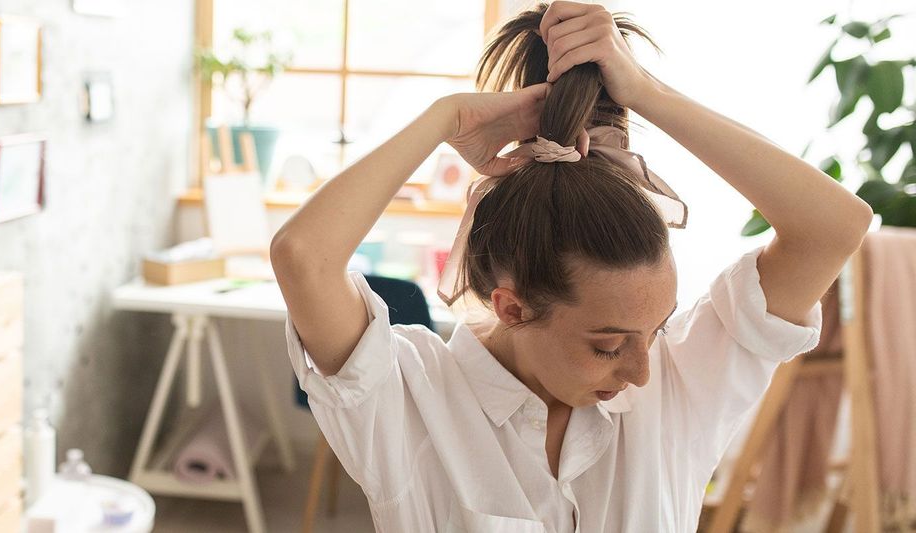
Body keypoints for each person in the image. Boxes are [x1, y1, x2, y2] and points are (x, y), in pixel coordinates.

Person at [269, 2, 874, 531]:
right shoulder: (409, 401)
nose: (642, 371)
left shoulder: (681, 388)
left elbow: (834, 227)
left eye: (656, 331)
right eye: (609, 346)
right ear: (512, 307)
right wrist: (445, 121)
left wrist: (646, 93)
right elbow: (303, 257)